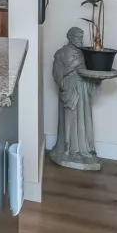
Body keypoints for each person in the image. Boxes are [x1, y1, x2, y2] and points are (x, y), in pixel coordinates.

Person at [49, 27, 99, 169]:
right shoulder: (61, 54)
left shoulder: (84, 53)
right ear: (70, 37)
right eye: (77, 37)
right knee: (71, 120)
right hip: (71, 89)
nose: (80, 40)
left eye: (81, 37)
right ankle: (70, 150)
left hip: (83, 88)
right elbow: (57, 74)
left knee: (84, 118)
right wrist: (67, 88)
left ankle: (85, 150)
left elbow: (89, 70)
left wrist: (94, 81)